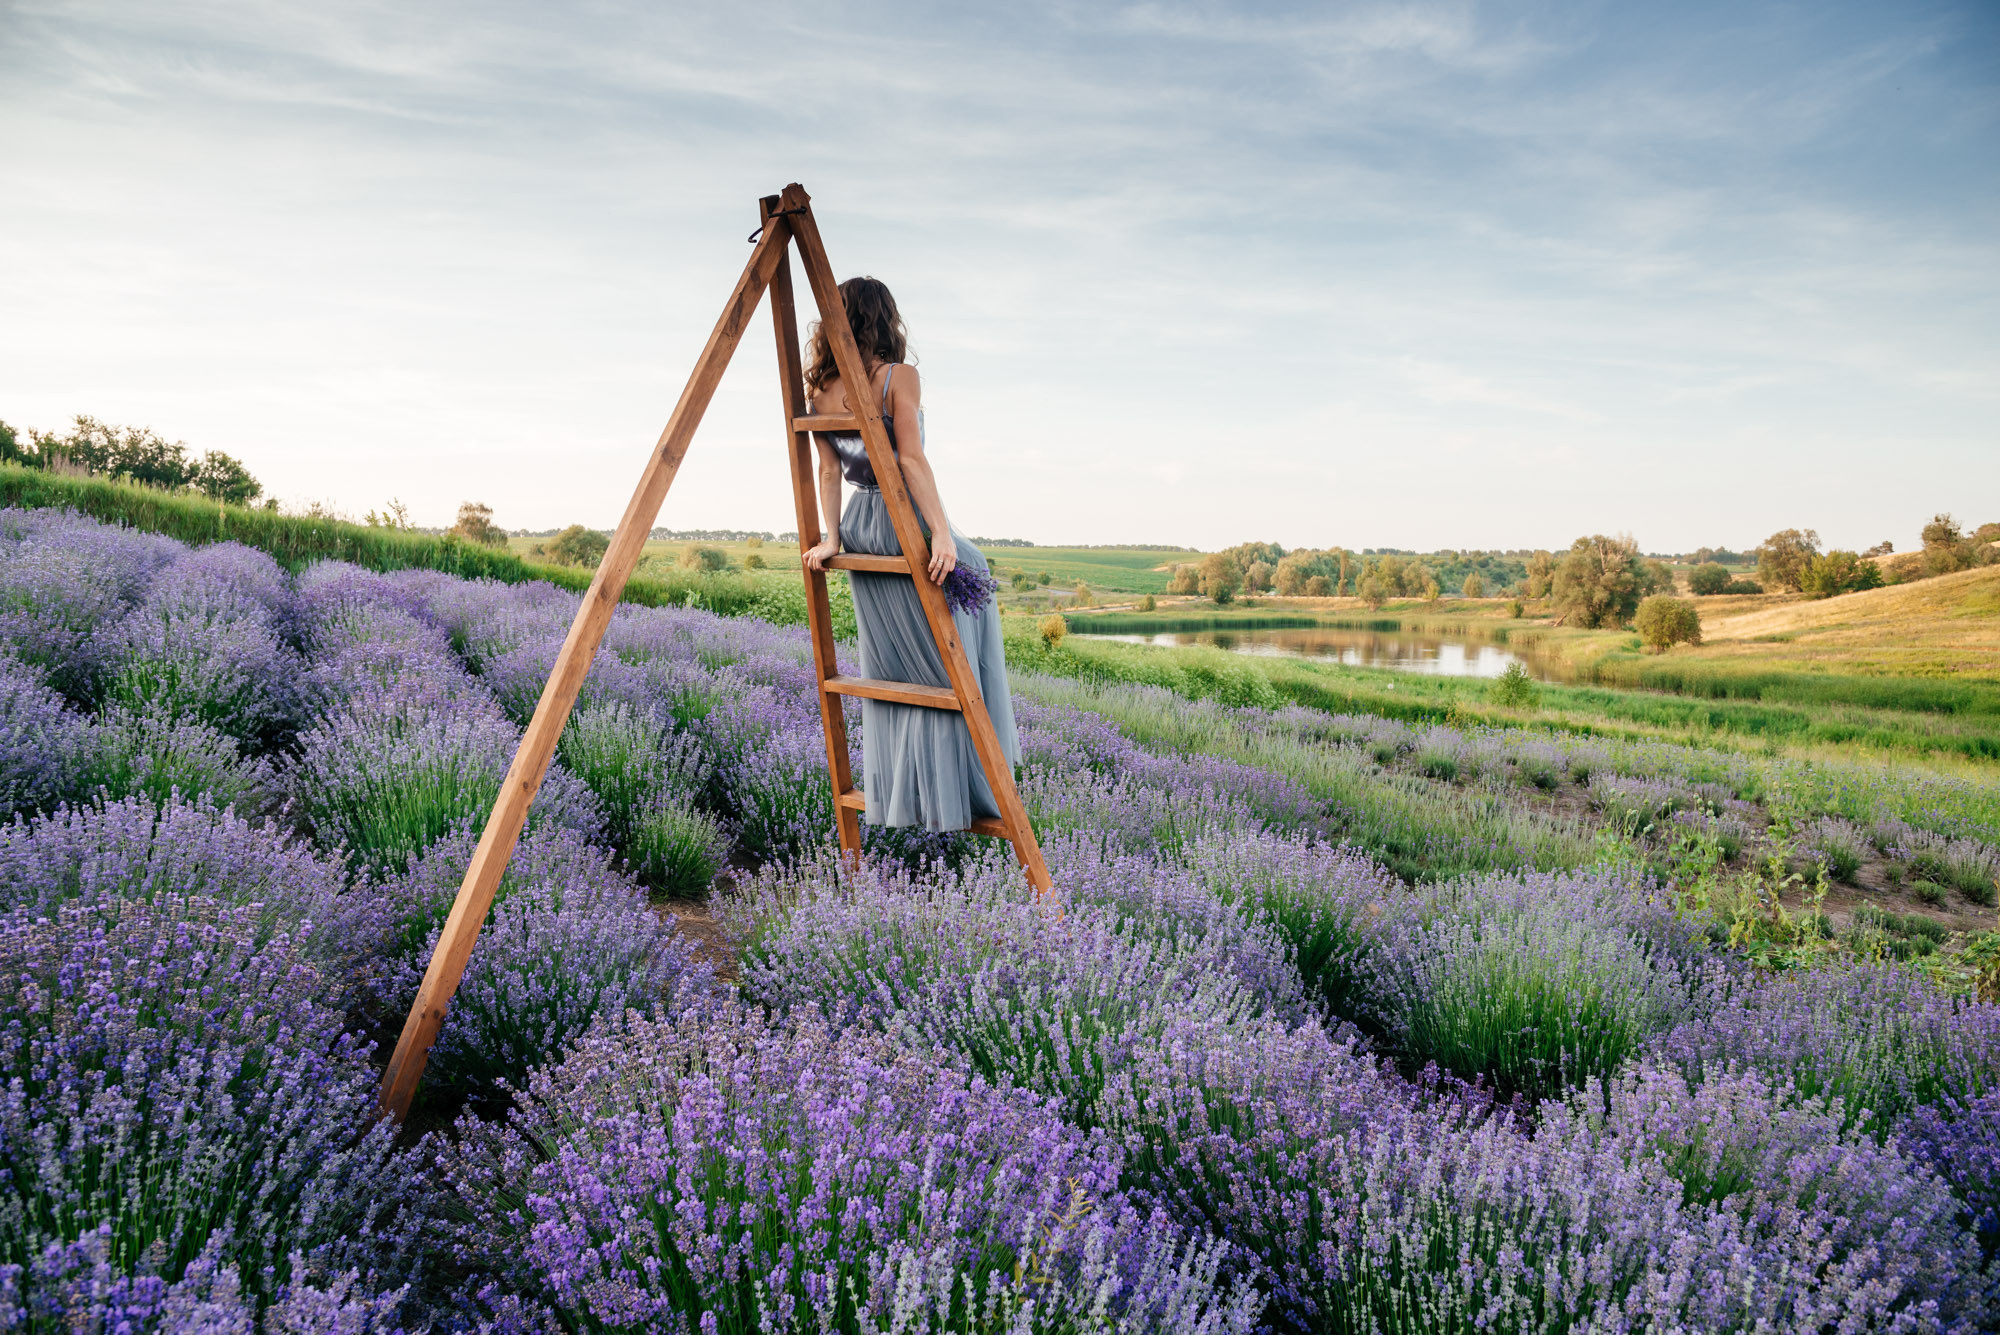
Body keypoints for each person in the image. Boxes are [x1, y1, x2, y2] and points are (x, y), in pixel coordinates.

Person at [800, 276, 1019, 831]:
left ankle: (913, 792)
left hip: (859, 527)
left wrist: (831, 539)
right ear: (884, 319)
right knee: (960, 609)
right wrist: (940, 534)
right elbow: (911, 461)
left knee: (896, 667)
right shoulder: (900, 376)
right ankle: (966, 783)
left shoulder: (818, 390)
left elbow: (828, 469)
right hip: (901, 521)